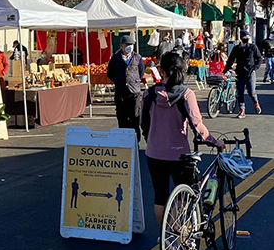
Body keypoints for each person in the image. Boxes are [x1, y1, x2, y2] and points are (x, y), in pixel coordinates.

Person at [141, 52, 224, 224]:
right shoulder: (186, 94)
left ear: (160, 70)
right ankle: (180, 230)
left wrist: (152, 140)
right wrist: (216, 142)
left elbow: (143, 123)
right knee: (183, 194)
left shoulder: (148, 95)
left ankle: (166, 234)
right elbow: (198, 126)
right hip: (180, 155)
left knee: (160, 197)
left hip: (154, 153)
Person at [107, 35, 145, 140]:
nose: (130, 47)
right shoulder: (115, 58)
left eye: (131, 45)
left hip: (134, 91)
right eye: (127, 44)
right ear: (121, 45)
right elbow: (110, 73)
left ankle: (136, 139)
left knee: (134, 116)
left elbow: (141, 72)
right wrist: (118, 80)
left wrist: (135, 80)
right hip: (121, 91)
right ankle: (123, 139)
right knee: (122, 117)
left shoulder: (137, 57)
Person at [223, 30, 262, 118]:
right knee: (240, 92)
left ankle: (256, 103)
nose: (246, 39)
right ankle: (242, 110)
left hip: (250, 72)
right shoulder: (236, 48)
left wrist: (255, 68)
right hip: (239, 73)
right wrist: (224, 71)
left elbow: (259, 59)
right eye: (245, 38)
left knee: (251, 91)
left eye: (248, 37)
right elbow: (230, 60)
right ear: (241, 38)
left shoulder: (253, 47)